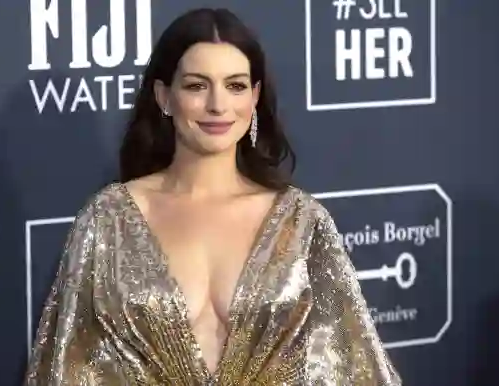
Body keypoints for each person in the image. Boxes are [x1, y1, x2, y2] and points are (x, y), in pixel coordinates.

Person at [23, 7, 401, 385]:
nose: (218, 105)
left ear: (254, 98)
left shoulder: (302, 223)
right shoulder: (108, 219)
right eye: (196, 85)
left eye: (235, 86)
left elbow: (357, 370)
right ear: (164, 96)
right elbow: (66, 368)